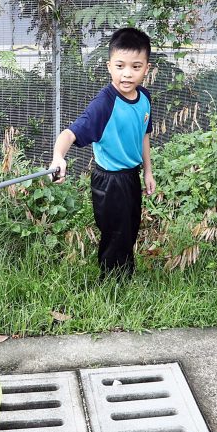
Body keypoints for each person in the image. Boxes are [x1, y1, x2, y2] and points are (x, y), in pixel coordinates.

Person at [49, 27, 156, 277]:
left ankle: (125, 274)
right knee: (115, 233)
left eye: (135, 66)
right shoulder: (104, 104)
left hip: (131, 176)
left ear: (146, 69)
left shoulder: (144, 98)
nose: (127, 74)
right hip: (109, 181)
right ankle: (110, 284)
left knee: (129, 228)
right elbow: (69, 134)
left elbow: (144, 135)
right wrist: (58, 157)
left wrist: (148, 171)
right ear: (109, 66)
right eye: (120, 66)